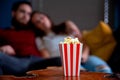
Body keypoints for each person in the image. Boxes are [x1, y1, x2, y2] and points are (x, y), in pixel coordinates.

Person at [29, 11, 112, 73]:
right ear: (36, 27)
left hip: (83, 57)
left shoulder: (65, 27)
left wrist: (84, 55)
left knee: (104, 70)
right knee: (81, 74)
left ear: (47, 17)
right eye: (37, 22)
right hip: (65, 63)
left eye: (41, 17)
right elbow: (47, 58)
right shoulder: (40, 39)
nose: (41, 21)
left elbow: (83, 43)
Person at [0, 1, 61, 76]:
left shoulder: (34, 29)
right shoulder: (3, 32)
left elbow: (49, 27)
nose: (26, 16)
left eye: (29, 14)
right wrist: (1, 47)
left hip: (38, 62)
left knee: (60, 60)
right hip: (17, 62)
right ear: (13, 13)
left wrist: (66, 24)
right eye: (22, 12)